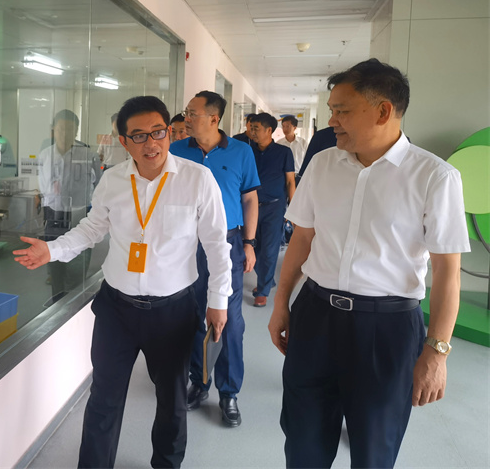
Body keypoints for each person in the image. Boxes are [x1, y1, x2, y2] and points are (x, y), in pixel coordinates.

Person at [268, 59, 470, 468]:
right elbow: (302, 240)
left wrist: (437, 353)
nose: (332, 120)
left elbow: (448, 273)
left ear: (382, 111)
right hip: (316, 317)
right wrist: (281, 303)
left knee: (374, 451)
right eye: (332, 110)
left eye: (342, 110)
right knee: (303, 443)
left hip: (387, 330)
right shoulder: (323, 164)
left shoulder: (435, 177)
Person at [15, 96, 232, 469]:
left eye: (158, 132)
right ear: (123, 141)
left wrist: (218, 301)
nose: (151, 143)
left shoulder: (198, 180)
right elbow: (91, 229)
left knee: (172, 401)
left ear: (170, 132)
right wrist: (52, 250)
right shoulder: (113, 180)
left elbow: (216, 245)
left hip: (173, 312)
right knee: (104, 398)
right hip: (117, 309)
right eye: (139, 136)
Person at [171, 91, 259, 428]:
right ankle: (200, 381)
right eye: (186, 112)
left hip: (228, 241)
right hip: (186, 242)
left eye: (192, 113)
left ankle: (229, 391)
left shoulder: (240, 152)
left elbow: (249, 199)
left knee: (229, 319)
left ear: (213, 118)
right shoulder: (177, 150)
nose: (186, 119)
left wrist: (249, 243)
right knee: (194, 315)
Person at [38, 109, 102, 300]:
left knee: (78, 263)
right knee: (54, 262)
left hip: (78, 214)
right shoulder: (45, 155)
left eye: (70, 129)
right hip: (53, 214)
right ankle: (57, 299)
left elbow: (99, 184)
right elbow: (42, 186)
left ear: (76, 131)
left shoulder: (87, 155)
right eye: (61, 129)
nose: (65, 134)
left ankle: (74, 301)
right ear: (53, 130)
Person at [250, 113, 295, 306]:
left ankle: (263, 290)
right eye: (251, 128)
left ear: (269, 130)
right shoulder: (247, 151)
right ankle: (267, 279)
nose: (252, 132)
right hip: (250, 207)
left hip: (274, 207)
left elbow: (290, 181)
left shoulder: (283, 153)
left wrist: (293, 211)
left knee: (269, 249)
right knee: (252, 246)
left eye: (256, 128)